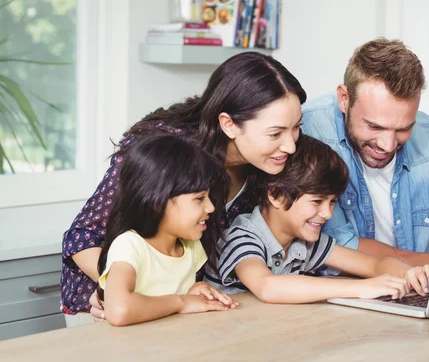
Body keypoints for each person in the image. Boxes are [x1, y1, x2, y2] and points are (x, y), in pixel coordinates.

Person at [61, 52, 306, 325]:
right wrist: (117, 292)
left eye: (296, 128)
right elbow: (82, 238)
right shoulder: (166, 153)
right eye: (275, 133)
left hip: (178, 305)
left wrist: (184, 295)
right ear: (229, 124)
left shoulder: (266, 167)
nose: (290, 145)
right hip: (104, 306)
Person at [301, 38, 429, 269]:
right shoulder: (305, 132)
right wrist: (428, 264)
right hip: (333, 292)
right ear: (344, 99)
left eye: (403, 129)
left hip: (411, 292)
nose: (388, 145)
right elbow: (334, 246)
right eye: (374, 126)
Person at [204, 135, 429, 303]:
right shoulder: (242, 236)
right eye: (317, 202)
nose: (327, 213)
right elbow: (267, 287)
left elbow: (373, 264)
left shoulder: (305, 242)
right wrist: (361, 288)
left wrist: (406, 273)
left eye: (332, 201)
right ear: (275, 195)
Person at [97, 135, 238, 326]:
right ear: (157, 203)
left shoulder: (190, 246)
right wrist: (182, 302)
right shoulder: (129, 246)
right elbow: (120, 310)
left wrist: (194, 291)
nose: (211, 208)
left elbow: (168, 304)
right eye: (199, 198)